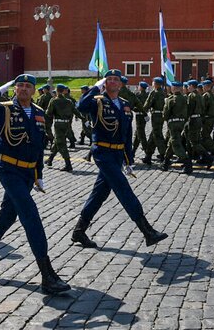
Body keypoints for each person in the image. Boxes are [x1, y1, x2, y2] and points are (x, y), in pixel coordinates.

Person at [0, 75, 70, 293]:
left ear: (34, 91)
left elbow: (38, 146)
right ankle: (47, 274)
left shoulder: (39, 113)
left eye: (28, 86)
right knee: (30, 215)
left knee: (6, 217)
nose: (23, 89)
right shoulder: (3, 109)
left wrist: (38, 173)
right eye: (20, 85)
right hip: (9, 169)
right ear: (14, 88)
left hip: (27, 172)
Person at [70, 69, 168, 250]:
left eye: (116, 80)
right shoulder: (97, 101)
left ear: (121, 84)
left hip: (117, 155)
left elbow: (127, 133)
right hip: (102, 153)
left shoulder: (124, 104)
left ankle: (79, 231)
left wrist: (129, 159)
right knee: (123, 189)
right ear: (105, 83)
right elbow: (80, 106)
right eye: (109, 80)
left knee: (99, 194)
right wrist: (95, 88)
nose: (113, 82)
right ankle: (147, 231)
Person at [45, 84, 75, 172]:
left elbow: (49, 113)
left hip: (58, 124)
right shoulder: (69, 101)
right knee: (56, 141)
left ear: (57, 91)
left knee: (61, 143)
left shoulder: (54, 101)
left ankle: (68, 164)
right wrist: (84, 119)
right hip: (66, 124)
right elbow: (75, 111)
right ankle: (50, 160)